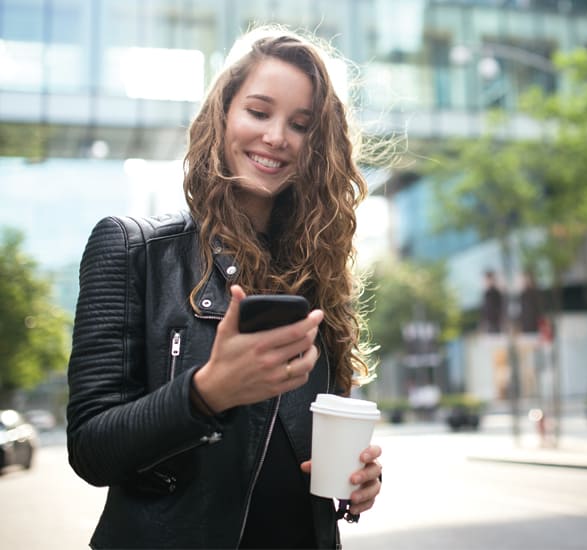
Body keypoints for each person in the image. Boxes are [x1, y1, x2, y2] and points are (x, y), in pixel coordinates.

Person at [66, 26, 382, 549]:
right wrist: (207, 391)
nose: (277, 137)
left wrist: (358, 483)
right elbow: (91, 449)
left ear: (318, 145)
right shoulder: (133, 250)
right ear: (223, 115)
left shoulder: (318, 278)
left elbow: (308, 449)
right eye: (259, 112)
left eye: (300, 124)